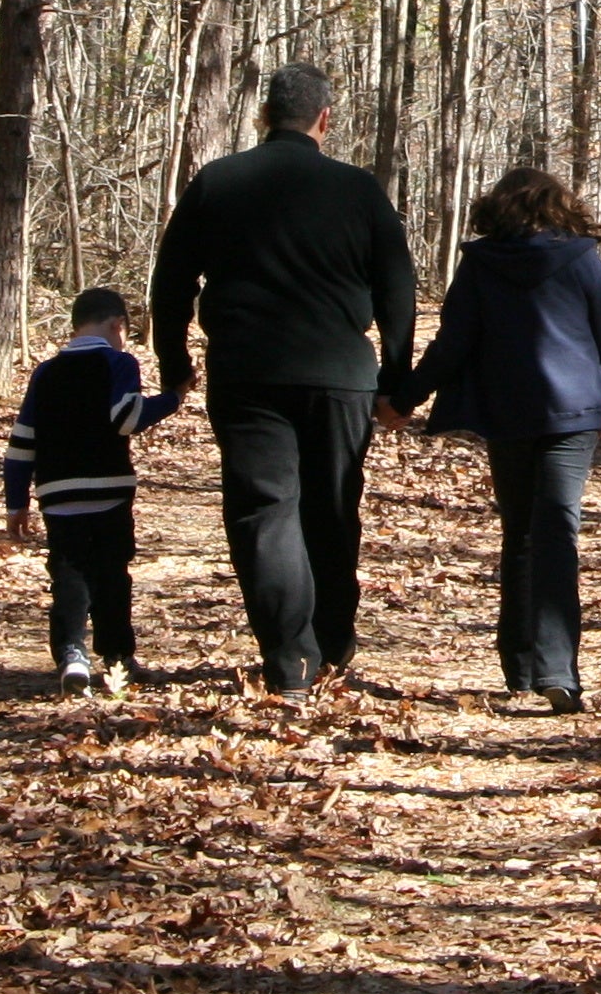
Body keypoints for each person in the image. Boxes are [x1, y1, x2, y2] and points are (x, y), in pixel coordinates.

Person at [150, 63, 416, 699]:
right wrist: (396, 379)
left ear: (262, 117)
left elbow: (172, 281)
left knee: (263, 512)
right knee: (332, 508)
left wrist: (173, 360)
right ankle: (332, 640)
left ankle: (291, 658)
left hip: (248, 372)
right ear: (325, 120)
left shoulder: (218, 182)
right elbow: (397, 287)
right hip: (340, 376)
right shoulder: (358, 190)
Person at [384, 166, 601, 716]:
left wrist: (405, 399)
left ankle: (522, 665)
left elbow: (453, 344)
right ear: (557, 206)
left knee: (521, 529)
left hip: (508, 410)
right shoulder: (582, 259)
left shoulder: (480, 265)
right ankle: (554, 669)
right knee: (556, 530)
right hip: (573, 413)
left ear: (499, 208)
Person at [5, 286, 181, 698]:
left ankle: (71, 654)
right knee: (111, 573)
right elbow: (127, 417)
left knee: (67, 573)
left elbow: (21, 443)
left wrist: (17, 501)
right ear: (117, 325)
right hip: (109, 489)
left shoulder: (45, 373)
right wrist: (173, 399)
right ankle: (118, 658)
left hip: (57, 492)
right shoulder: (118, 362)